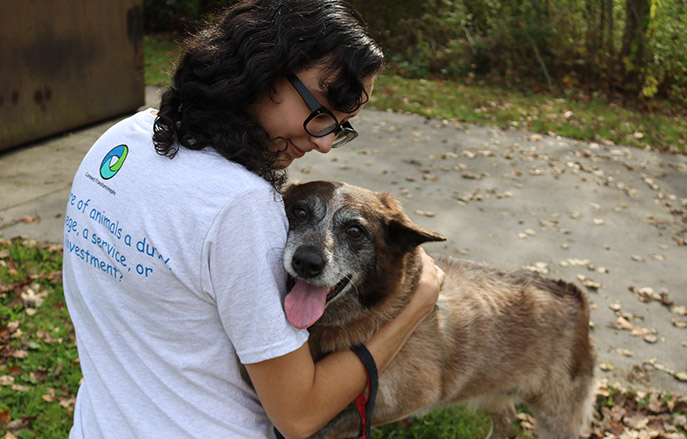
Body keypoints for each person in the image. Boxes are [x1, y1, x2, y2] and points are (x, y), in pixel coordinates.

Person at [61, 1, 443, 438]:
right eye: (322, 109)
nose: (324, 145)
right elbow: (298, 414)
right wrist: (418, 304)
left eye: (340, 126)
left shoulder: (124, 139)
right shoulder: (239, 206)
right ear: (263, 68)